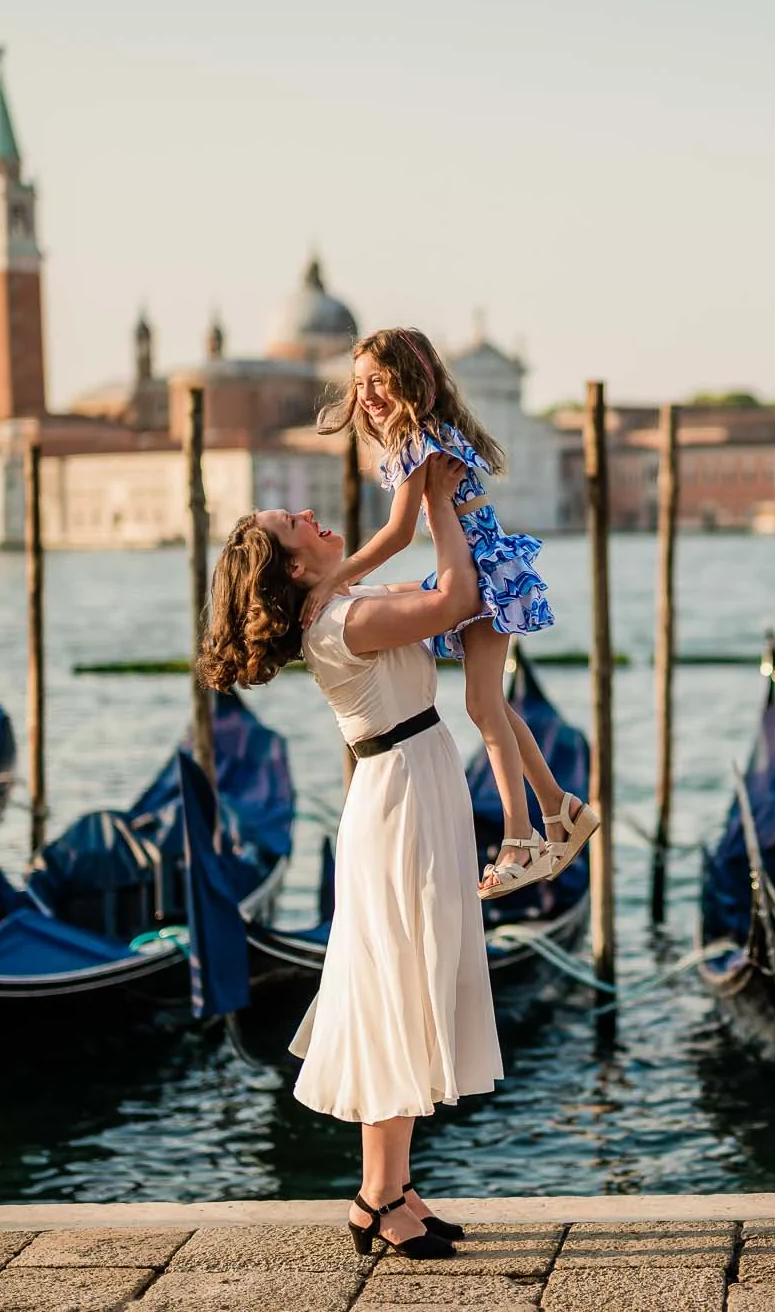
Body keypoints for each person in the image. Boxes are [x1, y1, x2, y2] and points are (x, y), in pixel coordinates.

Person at [194, 454, 492, 1261]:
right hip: (400, 798)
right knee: (396, 987)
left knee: (404, 984)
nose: (316, 519)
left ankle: (391, 1189)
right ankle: (377, 1196)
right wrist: (435, 499)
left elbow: (401, 555)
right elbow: (457, 598)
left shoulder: (342, 604)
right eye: (299, 526)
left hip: (411, 783)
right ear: (294, 565)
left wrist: (424, 491)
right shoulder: (344, 622)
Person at [300, 327, 598, 900]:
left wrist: (337, 578)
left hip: (481, 570)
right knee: (494, 707)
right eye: (360, 383)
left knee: (484, 705)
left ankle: (521, 839)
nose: (367, 394)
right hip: (478, 567)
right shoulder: (422, 436)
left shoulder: (418, 439)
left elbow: (397, 533)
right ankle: (559, 810)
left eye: (379, 380)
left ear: (414, 381)